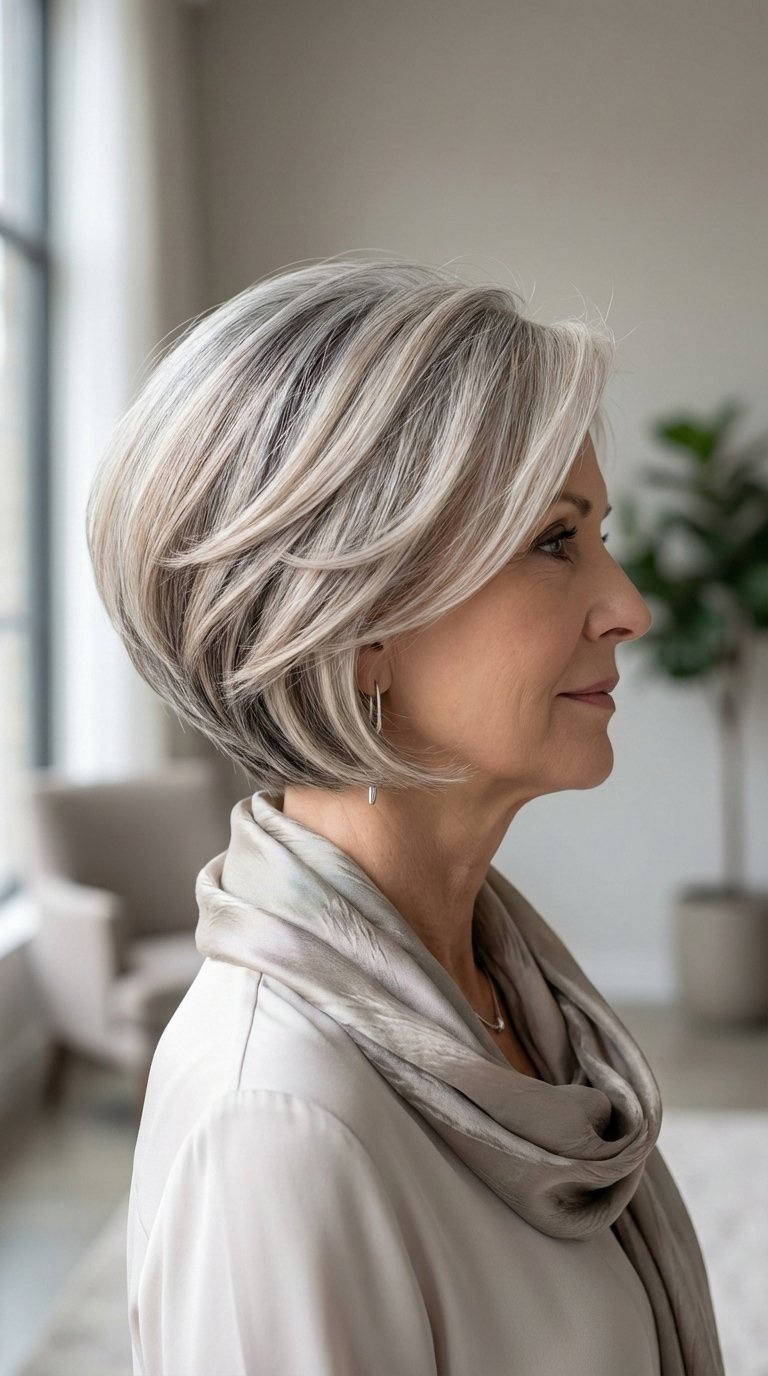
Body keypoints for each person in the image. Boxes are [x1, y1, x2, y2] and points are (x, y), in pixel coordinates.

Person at [86, 258, 725, 1375]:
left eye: (602, 536)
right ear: (361, 625)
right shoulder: (280, 1126)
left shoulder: (509, 993)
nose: (628, 606)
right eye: (554, 541)